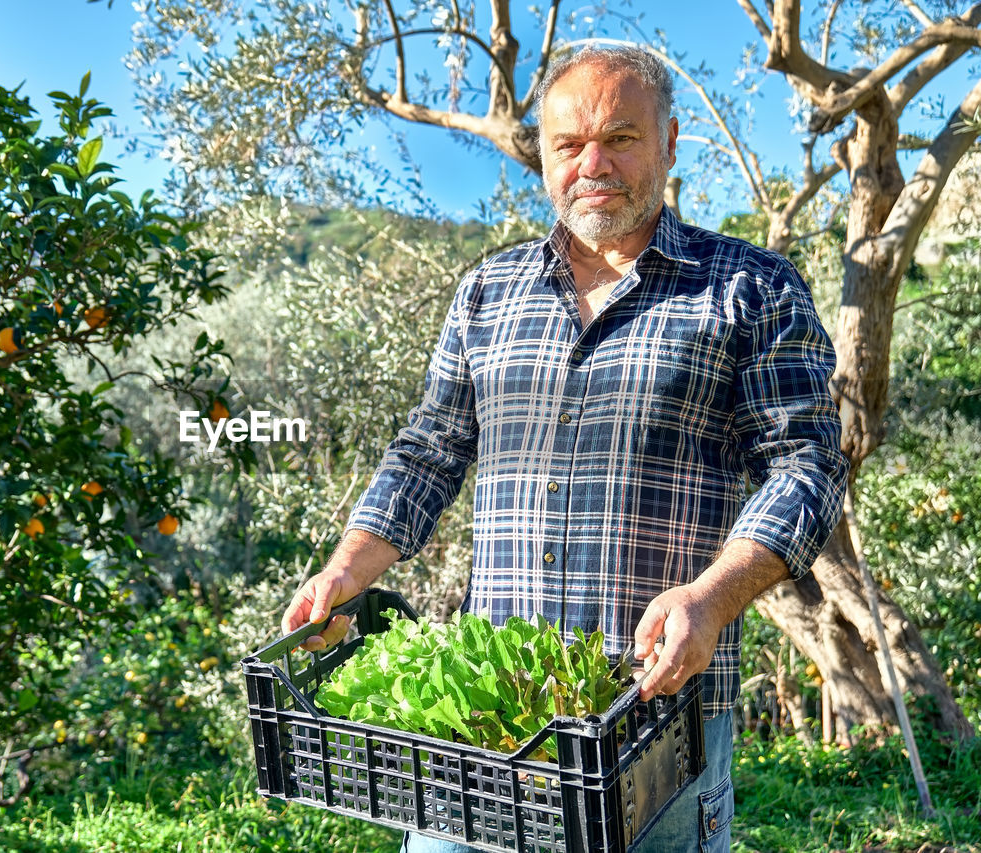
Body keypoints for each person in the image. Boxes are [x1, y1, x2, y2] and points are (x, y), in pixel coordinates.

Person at [282, 44, 848, 853]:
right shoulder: (488, 293)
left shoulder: (748, 288)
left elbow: (808, 464)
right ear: (542, 156)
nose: (594, 163)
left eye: (620, 136)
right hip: (485, 727)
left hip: (654, 722)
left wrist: (712, 598)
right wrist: (346, 570)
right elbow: (428, 451)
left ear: (670, 143)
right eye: (568, 144)